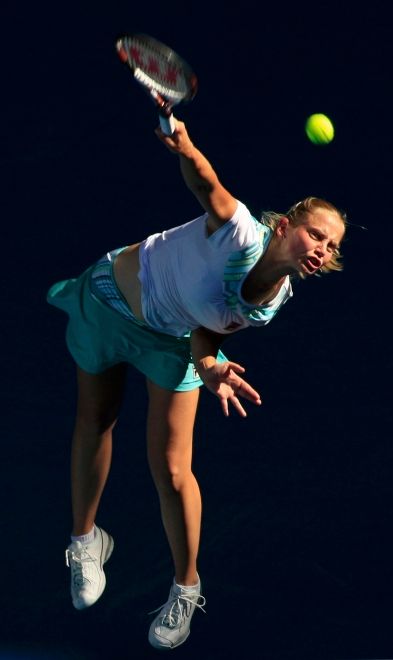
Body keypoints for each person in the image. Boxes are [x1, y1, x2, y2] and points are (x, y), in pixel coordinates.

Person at [47, 117, 347, 650]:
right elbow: (207, 184)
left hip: (171, 340)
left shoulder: (272, 302)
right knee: (95, 420)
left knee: (172, 466)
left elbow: (205, 334)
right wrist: (185, 144)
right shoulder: (239, 231)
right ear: (284, 226)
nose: (322, 248)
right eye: (315, 233)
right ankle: (86, 541)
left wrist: (209, 367)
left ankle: (186, 588)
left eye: (330, 247)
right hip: (109, 303)